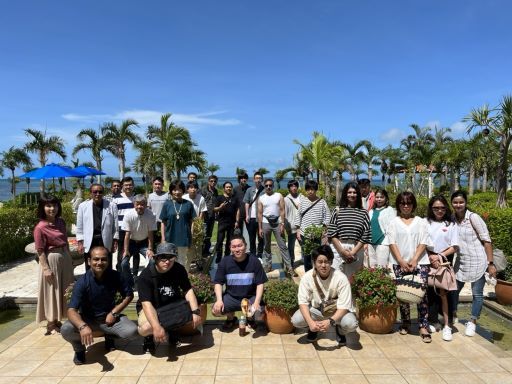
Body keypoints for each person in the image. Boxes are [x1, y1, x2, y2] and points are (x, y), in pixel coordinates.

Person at [60, 246, 138, 365]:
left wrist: (114, 312)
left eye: (103, 259)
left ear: (108, 260)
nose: (99, 263)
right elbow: (71, 310)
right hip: (89, 320)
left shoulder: (116, 276)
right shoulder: (82, 282)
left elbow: (129, 295)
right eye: (96, 259)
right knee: (66, 329)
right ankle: (79, 350)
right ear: (89, 261)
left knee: (132, 332)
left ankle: (109, 336)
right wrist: (82, 326)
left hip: (110, 320)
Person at [137, 242, 202, 353]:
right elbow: (146, 304)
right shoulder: (145, 275)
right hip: (152, 307)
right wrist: (156, 327)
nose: (167, 261)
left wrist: (196, 312)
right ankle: (149, 338)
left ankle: (172, 330)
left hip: (171, 306)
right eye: (163, 257)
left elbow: (188, 290)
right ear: (156, 258)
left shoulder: (178, 269)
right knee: (145, 328)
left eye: (170, 257)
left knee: (192, 315)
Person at [386, 191, 433, 343]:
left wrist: (414, 260)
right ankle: (405, 321)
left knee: (422, 295)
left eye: (409, 203)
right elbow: (391, 242)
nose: (406, 206)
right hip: (399, 262)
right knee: (403, 293)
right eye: (402, 203)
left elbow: (424, 241)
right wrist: (401, 261)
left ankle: (423, 326)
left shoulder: (421, 222)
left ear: (413, 205)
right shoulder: (393, 222)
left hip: (420, 262)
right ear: (398, 205)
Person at [291, 245, 358, 346]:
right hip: (316, 311)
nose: (323, 265)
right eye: (320, 262)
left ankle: (340, 330)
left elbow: (344, 306)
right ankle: (313, 329)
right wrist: (310, 322)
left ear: (331, 262)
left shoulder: (341, 278)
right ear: (314, 263)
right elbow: (303, 302)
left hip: (336, 311)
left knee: (351, 324)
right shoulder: (307, 277)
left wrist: (330, 321)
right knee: (296, 320)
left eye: (326, 261)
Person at [451, 190, 496, 337]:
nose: (458, 205)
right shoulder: (452, 219)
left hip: (478, 260)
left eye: (461, 202)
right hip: (461, 261)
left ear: (465, 203)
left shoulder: (473, 217)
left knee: (477, 294)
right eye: (455, 202)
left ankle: (473, 321)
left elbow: (487, 240)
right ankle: (453, 314)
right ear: (452, 203)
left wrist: (490, 263)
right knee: (454, 291)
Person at [34, 194, 74, 335]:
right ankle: (51, 322)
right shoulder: (40, 227)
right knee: (52, 290)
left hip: (64, 257)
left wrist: (69, 257)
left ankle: (59, 319)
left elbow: (65, 240)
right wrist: (45, 269)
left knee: (66, 289)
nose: (52, 208)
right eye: (48, 206)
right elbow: (39, 250)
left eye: (55, 205)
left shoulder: (61, 222)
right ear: (43, 208)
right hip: (51, 259)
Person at [212, 236, 267, 329]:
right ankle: (231, 319)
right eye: (234, 247)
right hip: (232, 297)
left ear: (245, 246)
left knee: (260, 312)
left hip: (250, 297)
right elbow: (218, 283)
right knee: (215, 310)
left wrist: (257, 302)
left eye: (240, 246)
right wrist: (219, 300)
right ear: (230, 248)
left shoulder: (254, 261)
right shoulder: (225, 262)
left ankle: (250, 319)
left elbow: (260, 283)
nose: (237, 249)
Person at [426, 195, 458, 341]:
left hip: (444, 261)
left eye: (442, 208)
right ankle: (432, 321)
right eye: (436, 208)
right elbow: (422, 243)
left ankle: (447, 325)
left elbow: (454, 247)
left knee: (445, 293)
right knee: (430, 293)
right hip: (427, 259)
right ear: (431, 208)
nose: (439, 210)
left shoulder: (451, 224)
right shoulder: (426, 222)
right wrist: (431, 256)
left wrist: (438, 256)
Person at [327, 181, 371, 280]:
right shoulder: (337, 210)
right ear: (345, 194)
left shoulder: (363, 213)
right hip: (338, 248)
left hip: (356, 249)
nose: (352, 195)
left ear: (358, 194)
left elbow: (366, 234)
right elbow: (332, 233)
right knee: (336, 279)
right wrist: (342, 251)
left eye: (354, 192)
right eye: (349, 192)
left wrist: (353, 252)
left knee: (353, 280)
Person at [76, 183, 118, 270]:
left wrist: (115, 240)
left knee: (106, 265)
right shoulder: (83, 206)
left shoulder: (111, 206)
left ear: (103, 193)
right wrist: (80, 242)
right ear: (90, 193)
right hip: (90, 241)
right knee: (90, 266)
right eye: (95, 192)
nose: (97, 194)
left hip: (105, 240)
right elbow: (80, 227)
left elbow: (115, 226)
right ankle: (90, 283)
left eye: (100, 192)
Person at [258, 178, 295, 276]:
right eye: (266, 186)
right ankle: (268, 265)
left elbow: (282, 210)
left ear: (273, 186)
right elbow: (260, 213)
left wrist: (282, 224)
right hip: (266, 222)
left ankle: (289, 267)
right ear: (264, 186)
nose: (268, 187)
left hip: (278, 222)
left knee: (283, 245)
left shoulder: (278, 196)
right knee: (267, 246)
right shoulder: (261, 198)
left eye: (270, 185)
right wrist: (260, 228)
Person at [293, 180, 330, 272]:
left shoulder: (322, 202)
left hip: (317, 233)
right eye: (308, 189)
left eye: (312, 189)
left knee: (317, 255)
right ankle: (308, 274)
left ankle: (316, 272)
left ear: (316, 190)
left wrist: (324, 231)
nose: (310, 191)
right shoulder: (303, 202)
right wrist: (298, 231)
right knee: (306, 255)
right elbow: (298, 216)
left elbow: (327, 217)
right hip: (304, 233)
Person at [160, 179, 196, 271]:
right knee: (169, 260)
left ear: (183, 190)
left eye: (179, 189)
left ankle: (181, 280)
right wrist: (163, 238)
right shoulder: (167, 204)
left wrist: (191, 236)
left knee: (182, 260)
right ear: (171, 191)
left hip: (184, 237)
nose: (177, 192)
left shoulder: (188, 204)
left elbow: (192, 222)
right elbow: (163, 222)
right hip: (170, 237)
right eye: (174, 189)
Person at [121, 194, 156, 284]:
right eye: (137, 204)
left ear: (146, 204)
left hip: (144, 242)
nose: (140, 206)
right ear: (134, 204)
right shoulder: (128, 215)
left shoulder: (151, 214)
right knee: (124, 263)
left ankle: (147, 281)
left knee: (152, 261)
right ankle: (129, 282)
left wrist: (150, 249)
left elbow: (150, 233)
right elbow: (127, 234)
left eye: (142, 204)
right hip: (131, 242)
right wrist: (126, 250)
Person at [367, 188, 395, 268]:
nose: (379, 199)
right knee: (372, 267)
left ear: (386, 198)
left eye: (381, 197)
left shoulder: (389, 210)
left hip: (383, 242)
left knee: (382, 268)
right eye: (377, 197)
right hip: (371, 243)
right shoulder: (371, 211)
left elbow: (392, 228)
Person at [113, 176, 135, 272]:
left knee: (135, 252)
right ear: (122, 186)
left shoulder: (136, 198)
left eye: (130, 185)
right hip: (122, 229)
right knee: (121, 251)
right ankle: (120, 271)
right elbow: (113, 216)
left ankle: (134, 273)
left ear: (133, 186)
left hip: (135, 229)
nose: (128, 187)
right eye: (126, 185)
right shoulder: (116, 199)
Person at [213, 181, 239, 263]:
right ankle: (219, 256)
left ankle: (227, 256)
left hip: (232, 222)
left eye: (230, 187)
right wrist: (220, 207)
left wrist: (237, 221)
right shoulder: (219, 198)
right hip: (222, 222)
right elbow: (214, 209)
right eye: (227, 187)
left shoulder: (235, 198)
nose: (229, 188)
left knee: (229, 241)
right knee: (219, 240)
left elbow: (237, 210)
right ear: (224, 188)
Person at [243, 172, 264, 258]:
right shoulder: (249, 190)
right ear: (254, 179)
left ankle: (260, 255)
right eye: (256, 178)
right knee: (252, 239)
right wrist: (247, 215)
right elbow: (247, 203)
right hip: (251, 218)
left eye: (260, 178)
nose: (258, 179)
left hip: (262, 219)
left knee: (261, 238)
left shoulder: (265, 190)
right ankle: (252, 256)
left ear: (262, 179)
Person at [201, 175, 219, 257]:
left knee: (209, 234)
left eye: (215, 181)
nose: (213, 182)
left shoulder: (215, 191)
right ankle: (200, 251)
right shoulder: (203, 190)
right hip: (204, 215)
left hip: (212, 215)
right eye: (211, 181)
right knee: (203, 234)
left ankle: (206, 250)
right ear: (208, 181)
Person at [147, 176, 168, 243]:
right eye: (156, 184)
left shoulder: (167, 195)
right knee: (153, 240)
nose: (157, 186)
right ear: (153, 185)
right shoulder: (150, 196)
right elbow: (148, 209)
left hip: (164, 222)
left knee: (163, 240)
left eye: (159, 184)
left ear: (162, 185)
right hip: (153, 222)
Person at [284, 180, 301, 265]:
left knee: (304, 246)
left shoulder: (302, 197)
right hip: (291, 226)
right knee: (291, 246)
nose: (294, 188)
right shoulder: (286, 199)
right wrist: (286, 227)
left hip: (301, 227)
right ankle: (291, 262)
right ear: (289, 188)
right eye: (292, 186)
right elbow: (285, 214)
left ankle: (305, 260)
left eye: (295, 186)